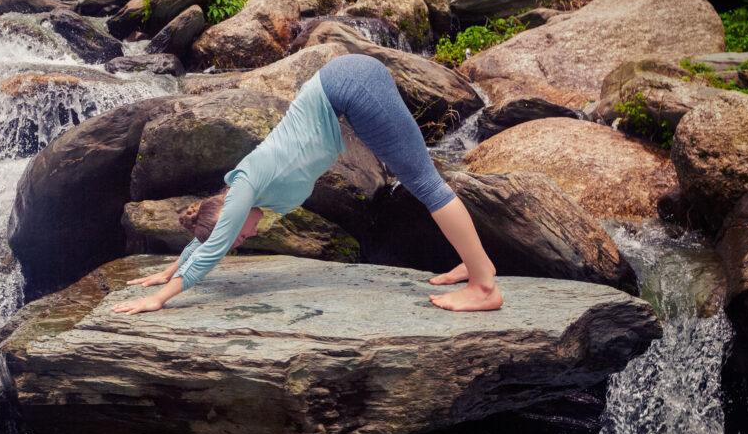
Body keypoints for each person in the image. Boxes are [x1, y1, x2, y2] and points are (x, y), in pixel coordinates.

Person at [113, 53, 503, 315]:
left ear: (231, 216)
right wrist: (170, 269)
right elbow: (209, 240)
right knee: (421, 178)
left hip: (348, 83)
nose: (247, 238)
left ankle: (485, 286)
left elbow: (214, 246)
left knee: (424, 183)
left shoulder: (246, 185)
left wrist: (160, 298)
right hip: (345, 89)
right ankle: (471, 264)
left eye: (240, 237)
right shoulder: (259, 202)